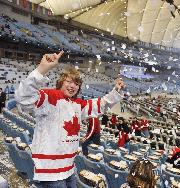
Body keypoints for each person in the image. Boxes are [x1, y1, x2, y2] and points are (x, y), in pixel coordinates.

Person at [15, 51, 125, 187]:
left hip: (69, 167)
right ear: (61, 82)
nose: (73, 86)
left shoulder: (77, 104)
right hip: (51, 171)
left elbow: (99, 105)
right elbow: (24, 99)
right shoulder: (51, 96)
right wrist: (42, 69)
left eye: (76, 84)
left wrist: (116, 91)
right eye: (69, 81)